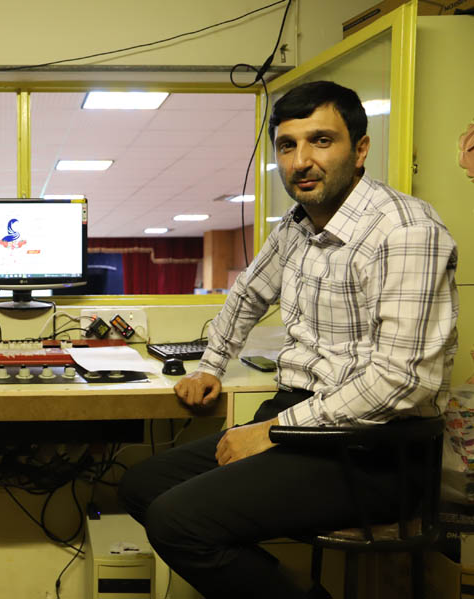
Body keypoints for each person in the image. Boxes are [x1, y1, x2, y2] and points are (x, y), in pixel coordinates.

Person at [118, 81, 458, 598]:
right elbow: (247, 294)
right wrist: (210, 365)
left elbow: (403, 381)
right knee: (142, 486)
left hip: (378, 450)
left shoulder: (406, 230)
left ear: (360, 149)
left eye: (321, 140)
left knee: (178, 522)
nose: (301, 161)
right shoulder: (296, 227)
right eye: (287, 145)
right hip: (303, 422)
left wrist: (274, 431)